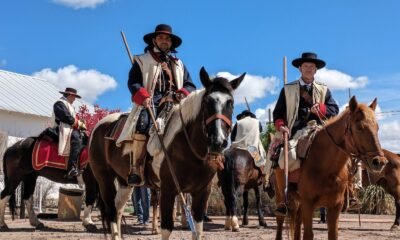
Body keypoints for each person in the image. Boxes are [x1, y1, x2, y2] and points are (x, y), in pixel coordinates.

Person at [116, 24, 196, 185]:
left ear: (171, 43)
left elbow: (190, 85)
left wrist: (181, 93)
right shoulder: (142, 60)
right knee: (143, 124)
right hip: (150, 101)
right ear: (154, 40)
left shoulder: (179, 64)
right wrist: (143, 96)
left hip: (174, 102)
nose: (164, 41)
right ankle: (136, 168)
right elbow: (133, 82)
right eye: (161, 37)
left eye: (167, 38)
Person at [272, 52, 339, 216]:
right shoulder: (287, 90)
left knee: (342, 154)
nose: (309, 69)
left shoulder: (324, 90)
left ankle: (348, 191)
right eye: (306, 66)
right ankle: (284, 197)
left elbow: (335, 110)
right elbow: (278, 113)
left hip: (319, 130)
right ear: (300, 68)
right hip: (295, 131)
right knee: (282, 157)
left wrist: (322, 108)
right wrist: (282, 126)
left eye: (312, 66)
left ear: (316, 70)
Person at [52, 87, 86, 178]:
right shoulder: (59, 103)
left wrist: (80, 123)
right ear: (71, 95)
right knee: (76, 139)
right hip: (60, 129)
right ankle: (71, 168)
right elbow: (65, 117)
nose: (75, 99)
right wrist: (78, 123)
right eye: (74, 97)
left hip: (68, 128)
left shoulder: (68, 105)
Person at [230, 110, 269, 187]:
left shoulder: (238, 123)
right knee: (262, 164)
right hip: (252, 149)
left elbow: (232, 138)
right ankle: (265, 179)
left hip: (238, 147)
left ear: (243, 116)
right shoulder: (257, 122)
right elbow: (260, 131)